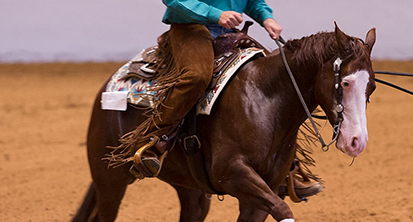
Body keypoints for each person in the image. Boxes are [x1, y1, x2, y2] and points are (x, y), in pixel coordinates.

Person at [128, 0, 322, 198]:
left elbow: (253, 1)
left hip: (229, 34)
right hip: (190, 29)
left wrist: (266, 17)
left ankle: (285, 169)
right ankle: (149, 143)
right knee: (196, 77)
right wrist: (215, 14)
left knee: (274, 82)